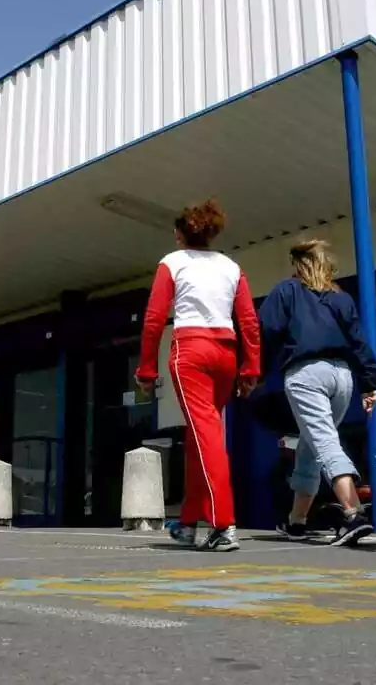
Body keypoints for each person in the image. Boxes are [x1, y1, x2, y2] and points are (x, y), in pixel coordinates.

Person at [136, 198, 260, 552]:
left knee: (205, 435)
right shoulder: (231, 266)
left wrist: (146, 367)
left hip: (190, 351)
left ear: (179, 234)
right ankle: (190, 521)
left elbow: (154, 318)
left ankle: (223, 524)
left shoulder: (171, 263)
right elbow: (249, 321)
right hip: (226, 352)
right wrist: (250, 366)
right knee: (199, 434)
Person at [259, 240, 376, 546]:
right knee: (310, 447)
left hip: (306, 375)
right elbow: (358, 341)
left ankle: (355, 513)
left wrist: (255, 374)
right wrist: (369, 383)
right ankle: (297, 522)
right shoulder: (340, 298)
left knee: (323, 441)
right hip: (342, 376)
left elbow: (267, 333)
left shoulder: (286, 291)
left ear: (298, 265)